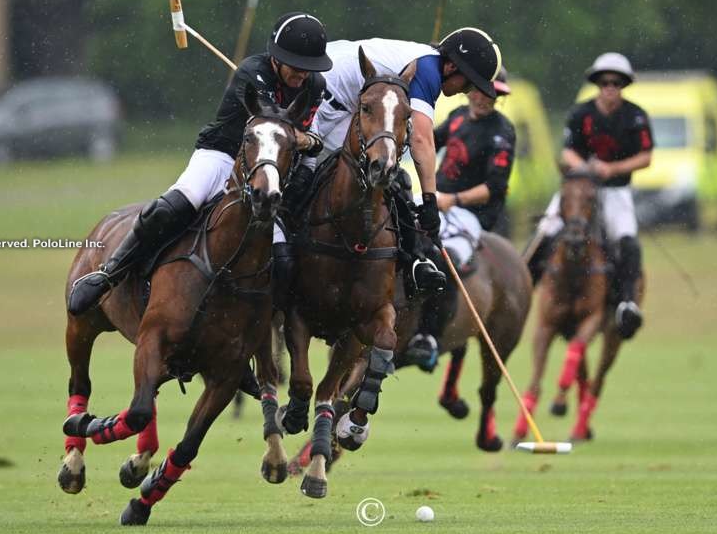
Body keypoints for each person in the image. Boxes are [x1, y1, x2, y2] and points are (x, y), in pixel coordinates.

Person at [67, 12, 333, 392]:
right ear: (276, 57)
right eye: (295, 66)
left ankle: (253, 339)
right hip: (223, 154)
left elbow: (314, 140)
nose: (301, 75)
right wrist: (297, 136)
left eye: (308, 68)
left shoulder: (314, 85)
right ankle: (108, 273)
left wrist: (302, 140)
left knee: (284, 257)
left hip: (269, 166)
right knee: (176, 206)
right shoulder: (252, 73)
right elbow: (265, 129)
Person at [277, 28, 503, 297]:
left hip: (349, 107)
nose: (465, 92)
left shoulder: (428, 64)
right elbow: (422, 141)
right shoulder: (429, 71)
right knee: (308, 171)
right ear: (452, 66)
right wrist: (430, 200)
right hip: (323, 95)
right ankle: (281, 249)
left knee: (380, 177)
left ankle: (412, 258)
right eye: (467, 84)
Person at [530, 52, 653, 338]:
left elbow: (646, 157)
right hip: (578, 189)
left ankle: (626, 303)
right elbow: (567, 152)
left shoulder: (635, 117)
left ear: (623, 86)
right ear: (598, 84)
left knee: (627, 241)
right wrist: (586, 169)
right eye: (605, 82)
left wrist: (611, 168)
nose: (610, 88)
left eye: (616, 83)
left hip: (615, 190)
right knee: (544, 230)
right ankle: (528, 286)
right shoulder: (581, 113)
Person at [403, 68, 516, 369]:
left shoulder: (502, 131)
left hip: (469, 213)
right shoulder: (457, 116)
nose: (483, 98)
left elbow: (494, 187)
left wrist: (453, 200)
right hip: (435, 198)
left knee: (444, 257)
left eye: (491, 93)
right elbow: (427, 141)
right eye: (478, 90)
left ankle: (427, 335)